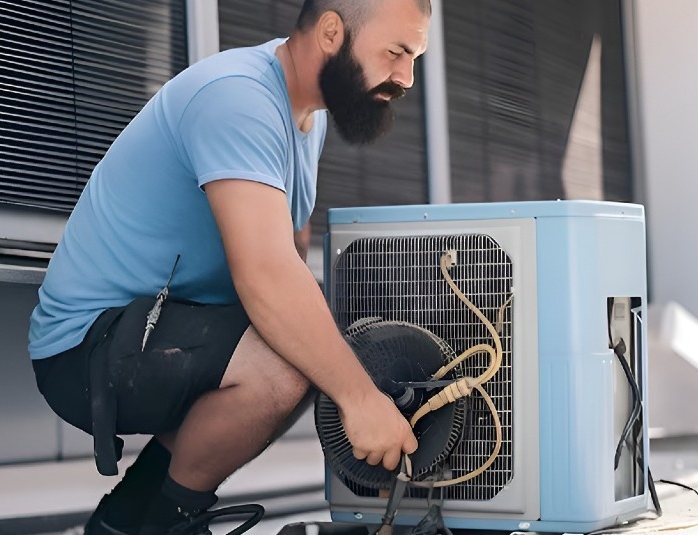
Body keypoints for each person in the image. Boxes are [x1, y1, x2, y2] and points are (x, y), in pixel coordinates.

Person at [28, 0, 430, 533]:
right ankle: (167, 524)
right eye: (397, 52)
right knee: (292, 358)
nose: (405, 77)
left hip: (159, 327)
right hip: (87, 346)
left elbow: (287, 250)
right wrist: (359, 399)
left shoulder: (307, 118)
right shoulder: (238, 98)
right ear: (332, 32)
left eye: (415, 57)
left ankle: (123, 522)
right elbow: (266, 276)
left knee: (312, 344)